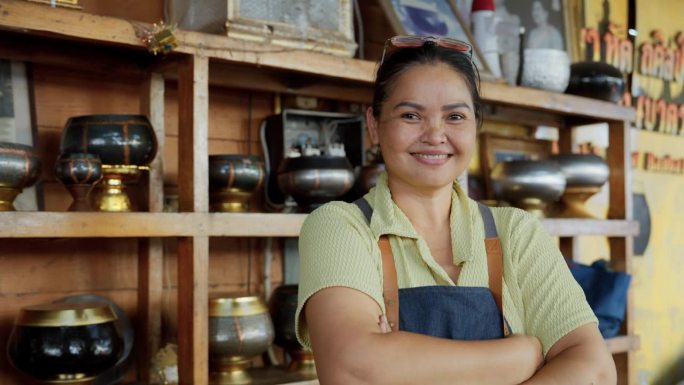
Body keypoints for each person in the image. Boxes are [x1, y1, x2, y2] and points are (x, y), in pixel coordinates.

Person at [295, 35, 616, 384]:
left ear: (476, 126)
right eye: (411, 115)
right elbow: (351, 369)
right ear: (374, 125)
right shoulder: (340, 227)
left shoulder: (516, 233)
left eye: (455, 116)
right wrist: (519, 356)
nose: (435, 134)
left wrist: (397, 358)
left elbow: (595, 370)